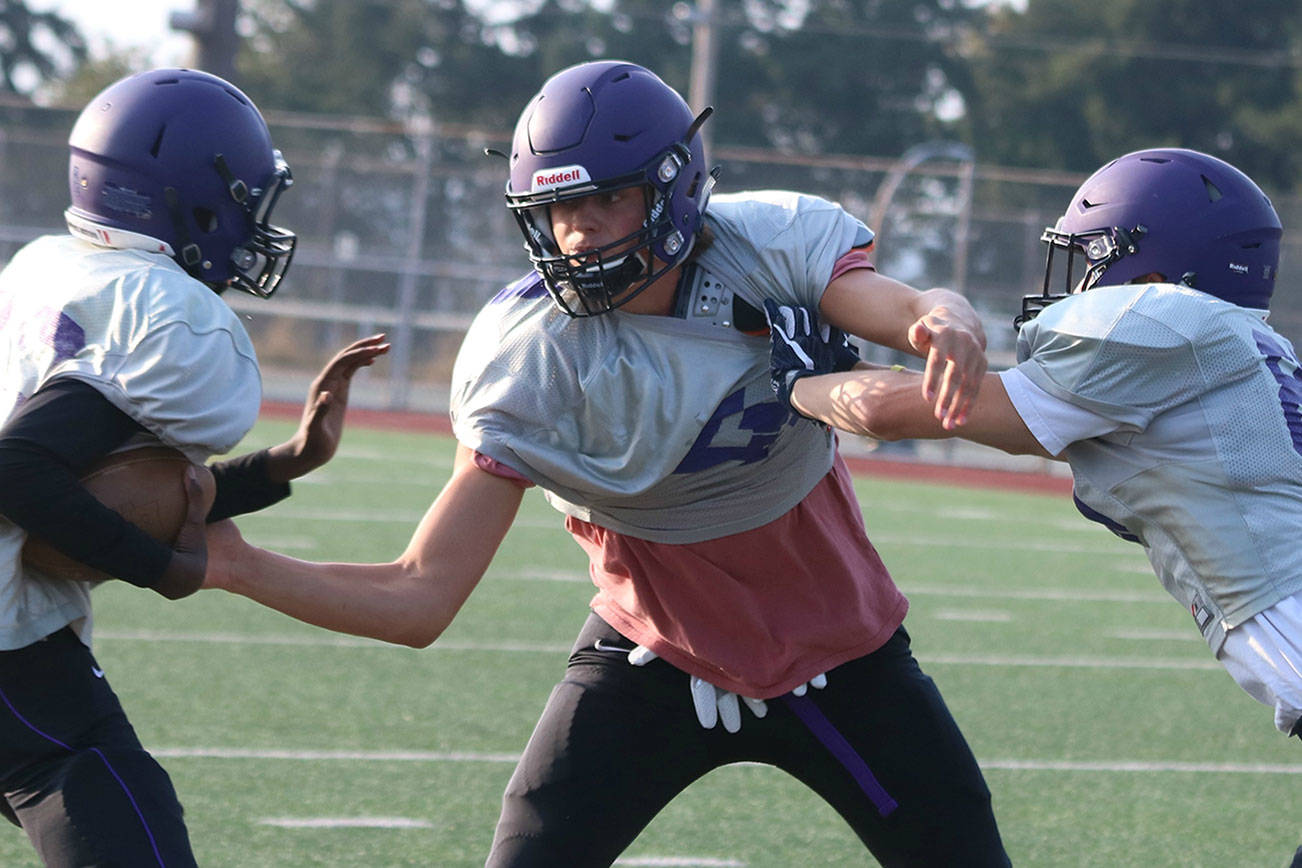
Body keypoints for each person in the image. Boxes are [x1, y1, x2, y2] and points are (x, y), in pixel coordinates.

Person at [204, 60, 1010, 866]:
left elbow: (906, 310)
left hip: (842, 654)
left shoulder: (764, 245)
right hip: (650, 656)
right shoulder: (529, 356)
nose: (579, 229)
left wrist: (946, 317)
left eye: (605, 197)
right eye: (557, 206)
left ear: (672, 188)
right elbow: (420, 596)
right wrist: (238, 565)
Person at [769, 146, 1302, 742]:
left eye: (1093, 262)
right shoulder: (1235, 349)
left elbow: (899, 412)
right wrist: (845, 366)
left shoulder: (1160, 322)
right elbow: (997, 420)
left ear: (1151, 279)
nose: (1077, 285)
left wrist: (795, 382)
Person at [0, 68, 387, 867]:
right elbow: (19, 466)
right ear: (186, 199)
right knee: (116, 804)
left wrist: (287, 463)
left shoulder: (45, 264)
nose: (251, 223)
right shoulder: (170, 313)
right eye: (243, 200)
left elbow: (120, 479)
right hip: (12, 645)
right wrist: (161, 570)